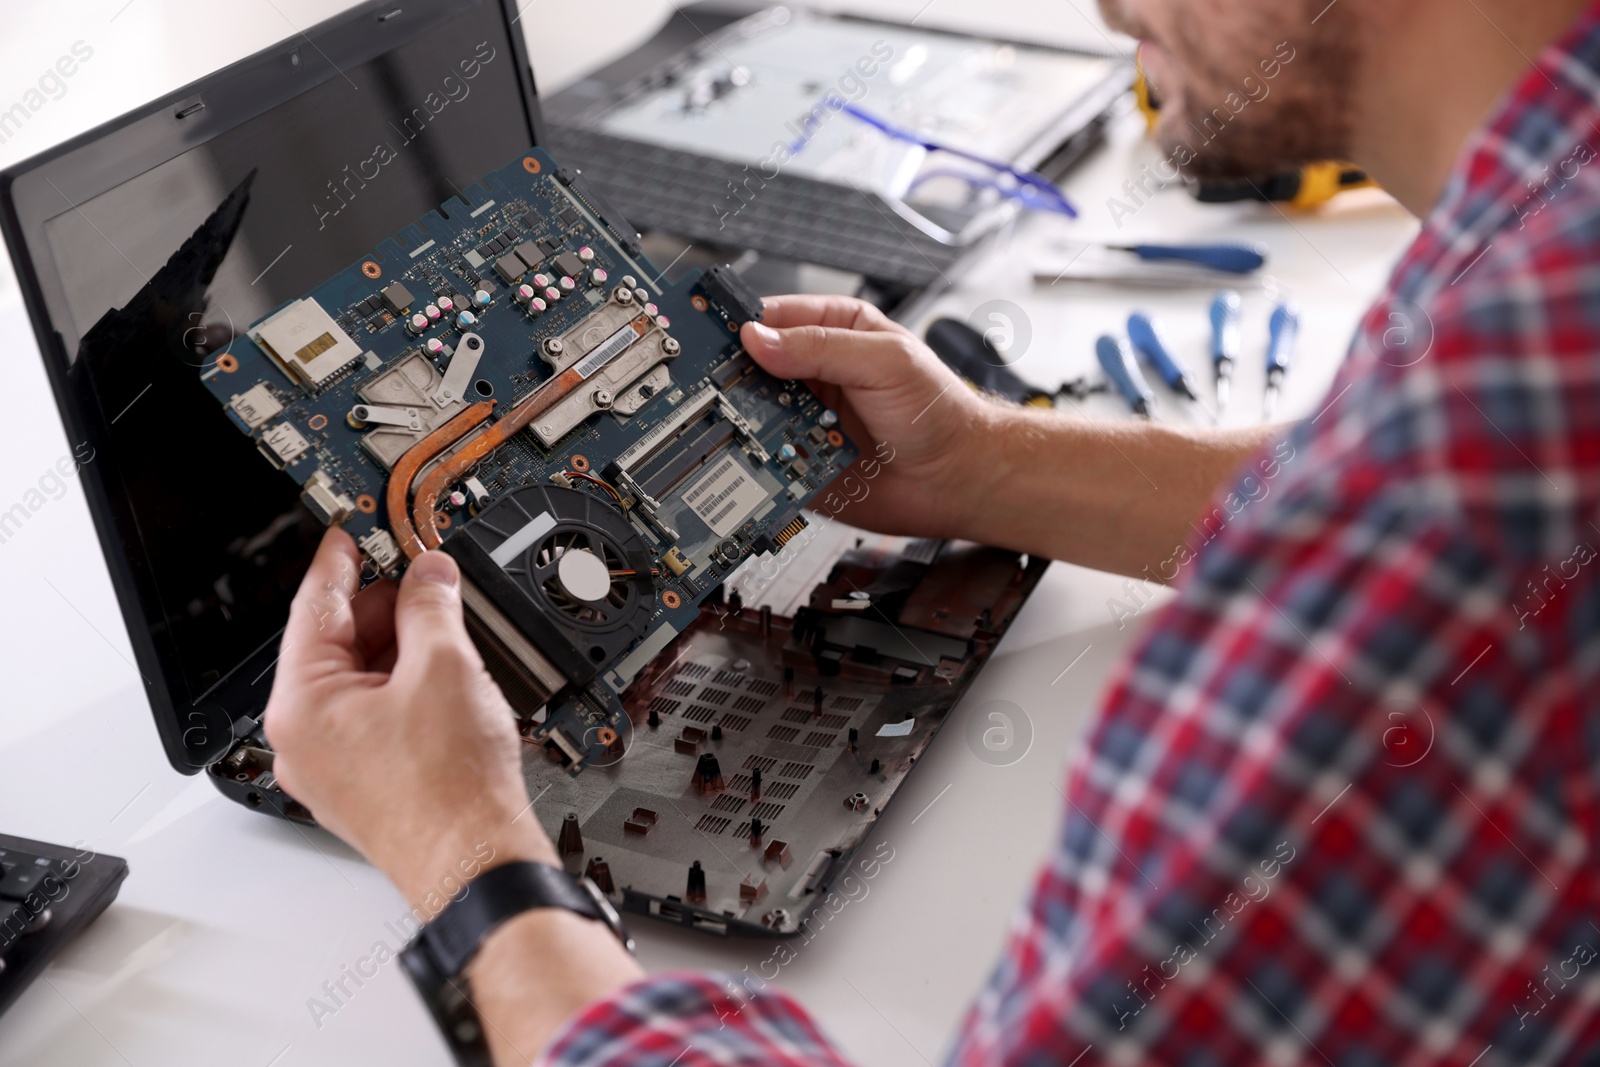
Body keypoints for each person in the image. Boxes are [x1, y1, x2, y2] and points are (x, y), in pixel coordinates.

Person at [264, 0, 1600, 1061]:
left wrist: (471, 863)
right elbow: (1378, 482)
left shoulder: (1468, 476)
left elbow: (1421, 512)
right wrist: (982, 461)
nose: (1100, 10)